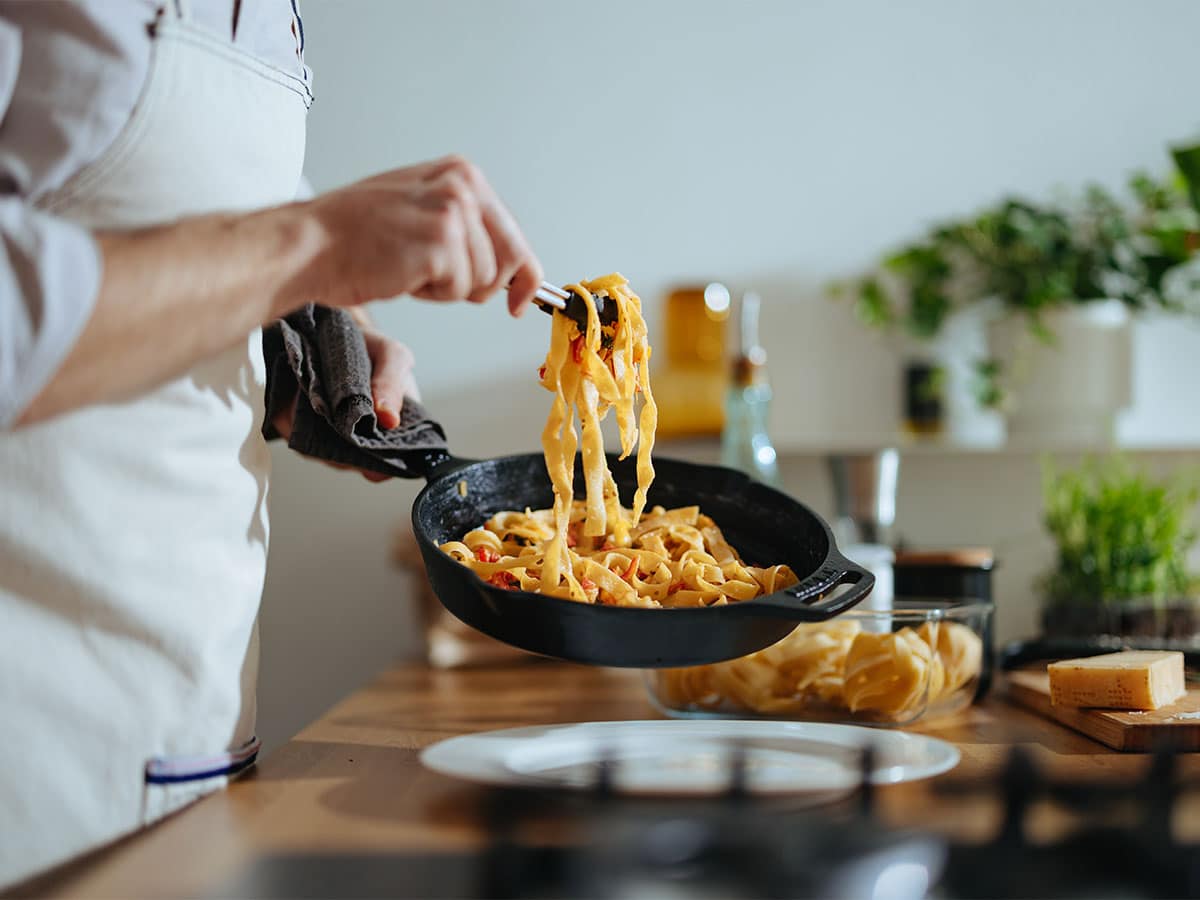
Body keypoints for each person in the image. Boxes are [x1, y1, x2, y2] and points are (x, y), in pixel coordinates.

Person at [0, 1, 543, 888]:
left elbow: (183, 232)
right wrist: (313, 242)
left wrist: (307, 350)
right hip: (28, 750)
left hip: (191, 733)